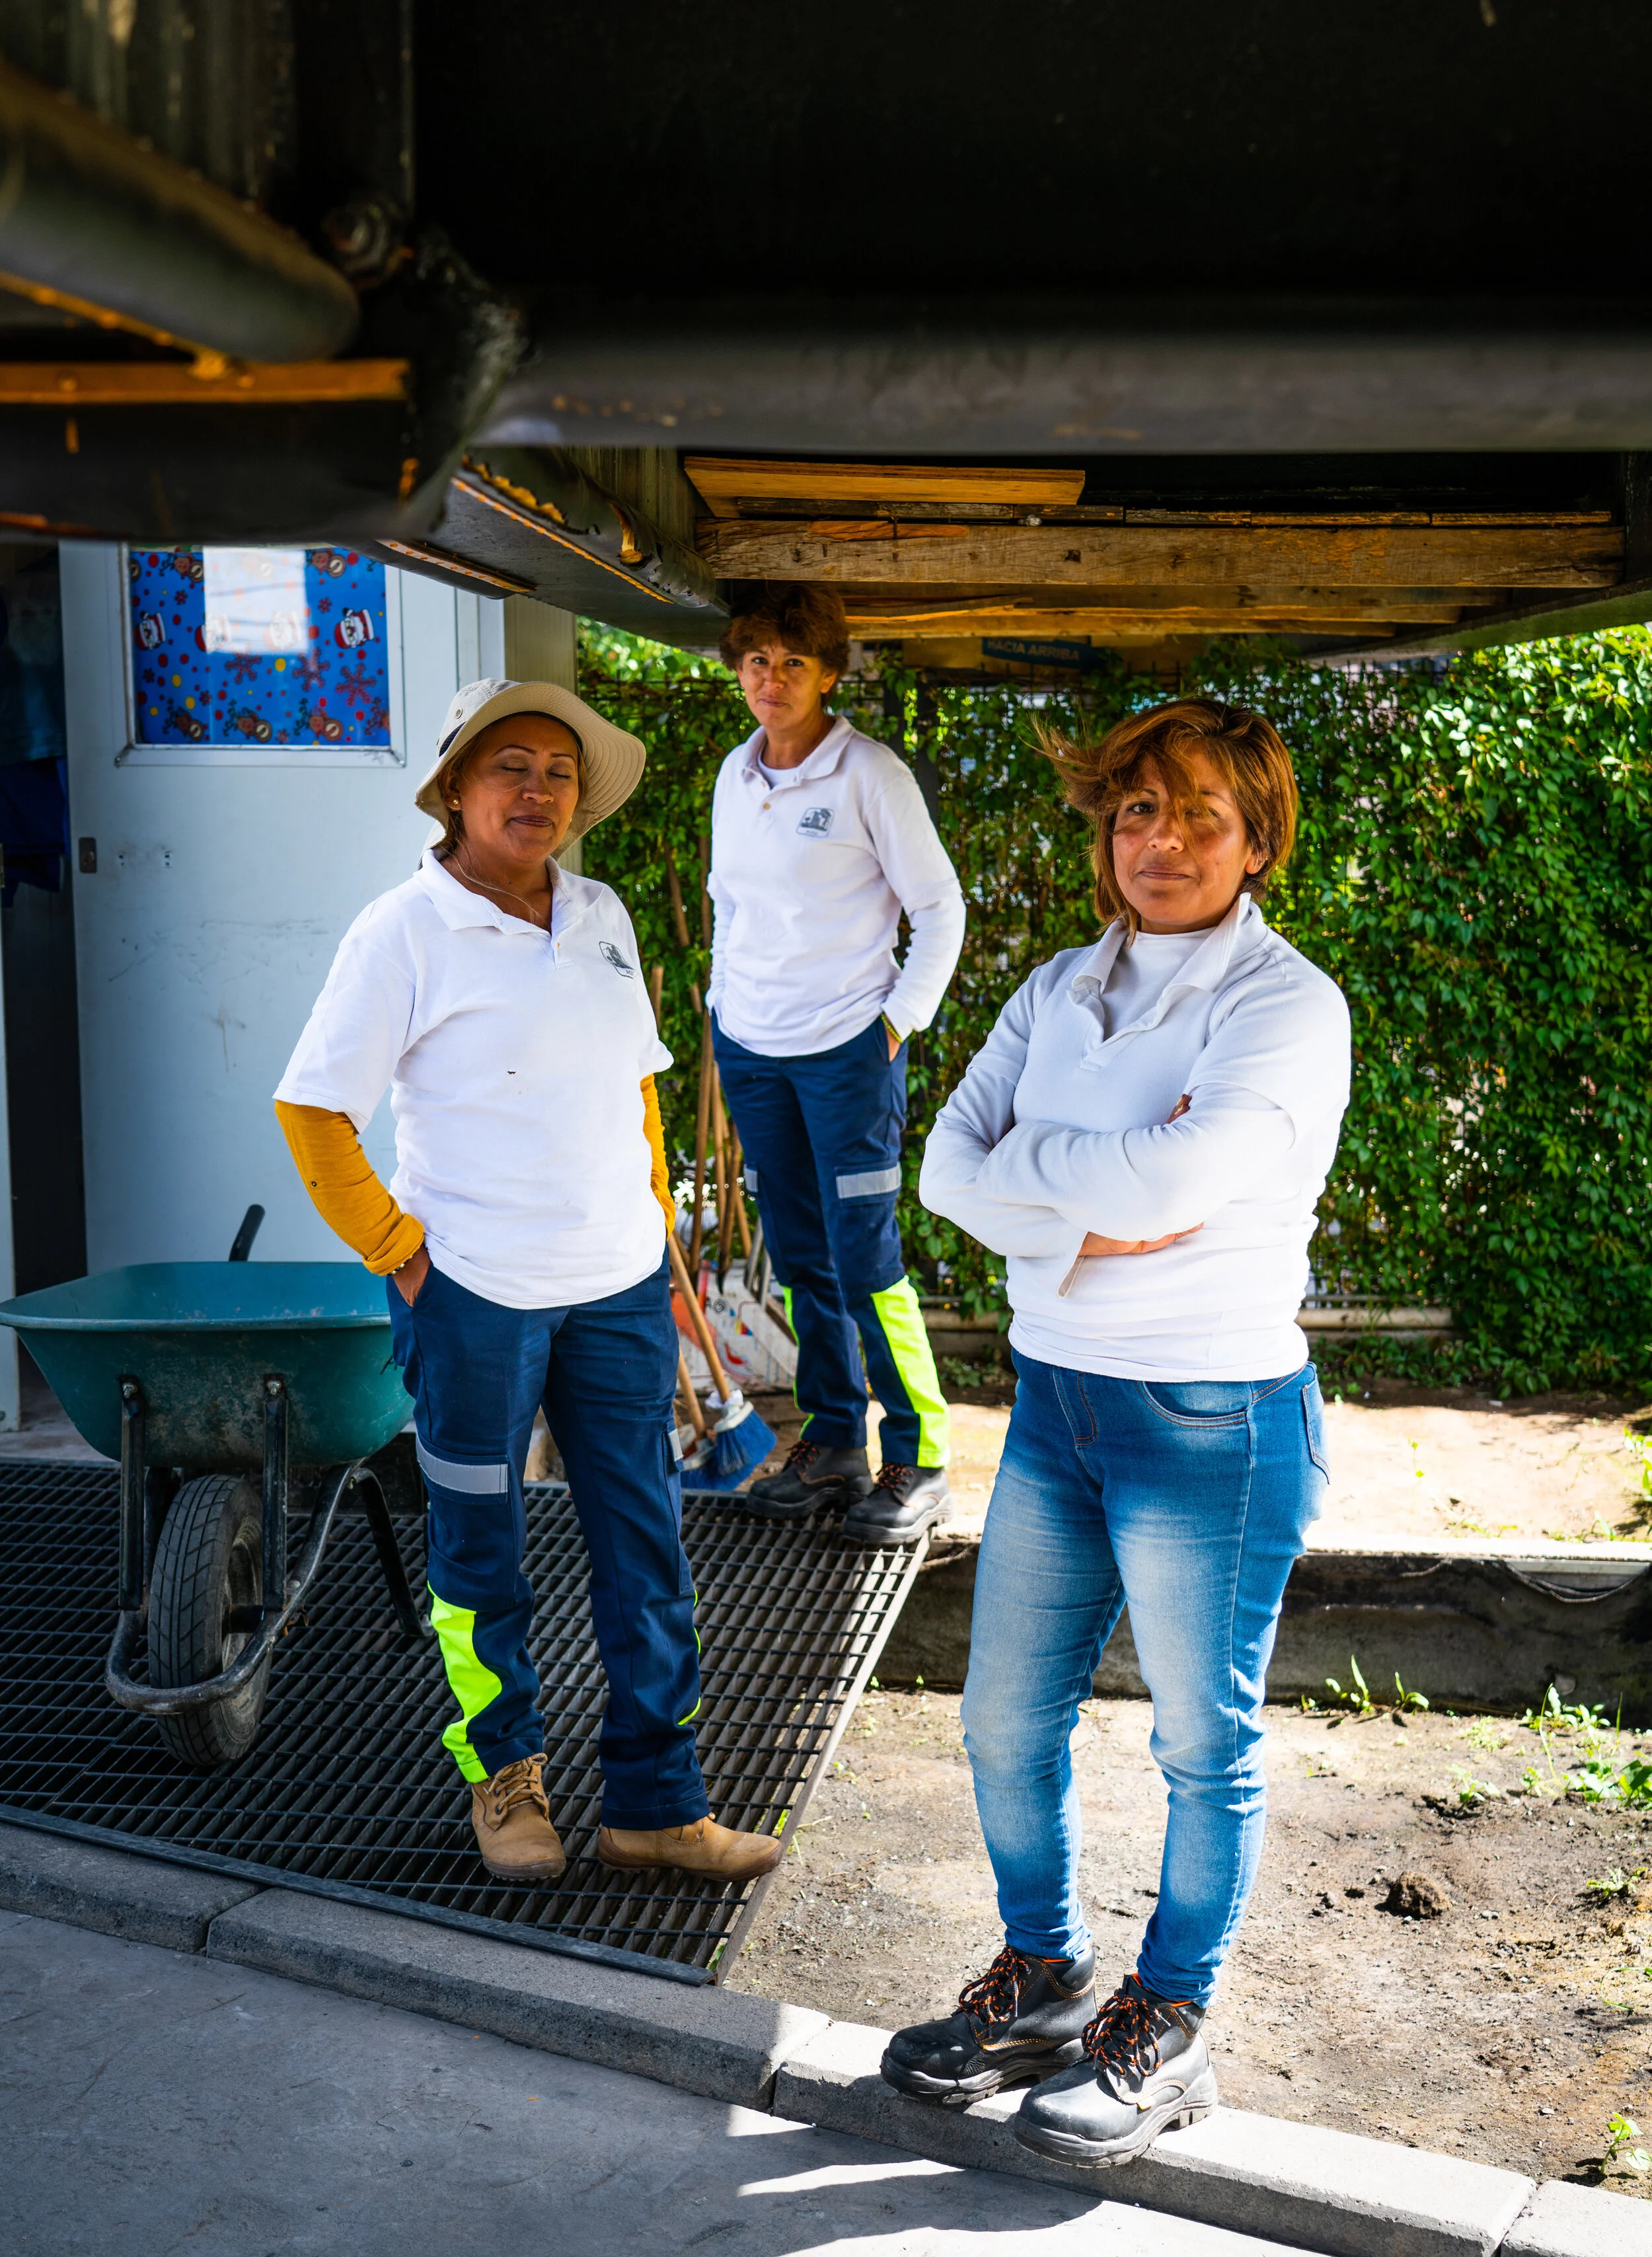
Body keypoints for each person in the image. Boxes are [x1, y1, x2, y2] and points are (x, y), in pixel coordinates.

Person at [882, 698, 1350, 2166]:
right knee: (1000, 1718)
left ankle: (1172, 2022)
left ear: (1257, 839)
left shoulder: (1283, 1006)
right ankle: (1045, 1978)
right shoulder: (1053, 987)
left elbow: (1173, 1185)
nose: (1160, 840)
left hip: (1209, 1419)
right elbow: (945, 1170)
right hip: (1055, 1402)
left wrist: (1040, 1178)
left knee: (1200, 1740)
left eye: (1200, 813)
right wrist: (1097, 1195)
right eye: (1136, 809)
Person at [273, 676, 782, 1890]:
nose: (539, 789)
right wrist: (401, 1255)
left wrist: (652, 1224)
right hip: (474, 1297)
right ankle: (506, 1778)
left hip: (617, 1289)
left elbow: (636, 1084)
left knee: (647, 1548)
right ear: (455, 788)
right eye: (511, 766)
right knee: (480, 1554)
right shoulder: (401, 929)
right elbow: (313, 1109)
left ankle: (658, 1805)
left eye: (559, 772)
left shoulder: (601, 912)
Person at [708, 584, 966, 1542]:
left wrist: (896, 1025)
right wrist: (723, 1007)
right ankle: (830, 1443)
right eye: (757, 661)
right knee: (799, 1254)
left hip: (848, 1050)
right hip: (754, 1051)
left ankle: (918, 1455)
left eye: (793, 663)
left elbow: (940, 911)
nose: (771, 680)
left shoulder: (870, 775)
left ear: (827, 675)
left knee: (864, 1258)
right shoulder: (735, 774)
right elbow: (731, 904)